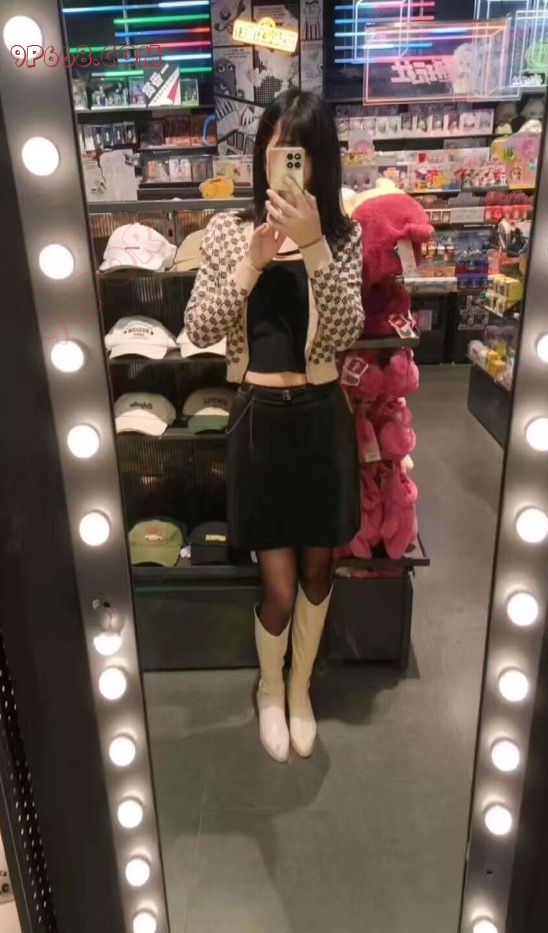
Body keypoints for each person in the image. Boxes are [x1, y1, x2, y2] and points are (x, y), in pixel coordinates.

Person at [184, 89, 364, 762]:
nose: (284, 162)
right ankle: (268, 689)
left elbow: (345, 332)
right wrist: (252, 262)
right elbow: (199, 327)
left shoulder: (342, 236)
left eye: (299, 152)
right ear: (262, 152)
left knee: (319, 573)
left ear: (319, 163)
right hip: (259, 423)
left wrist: (313, 246)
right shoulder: (229, 230)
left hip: (321, 422)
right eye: (275, 147)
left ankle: (300, 688)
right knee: (279, 587)